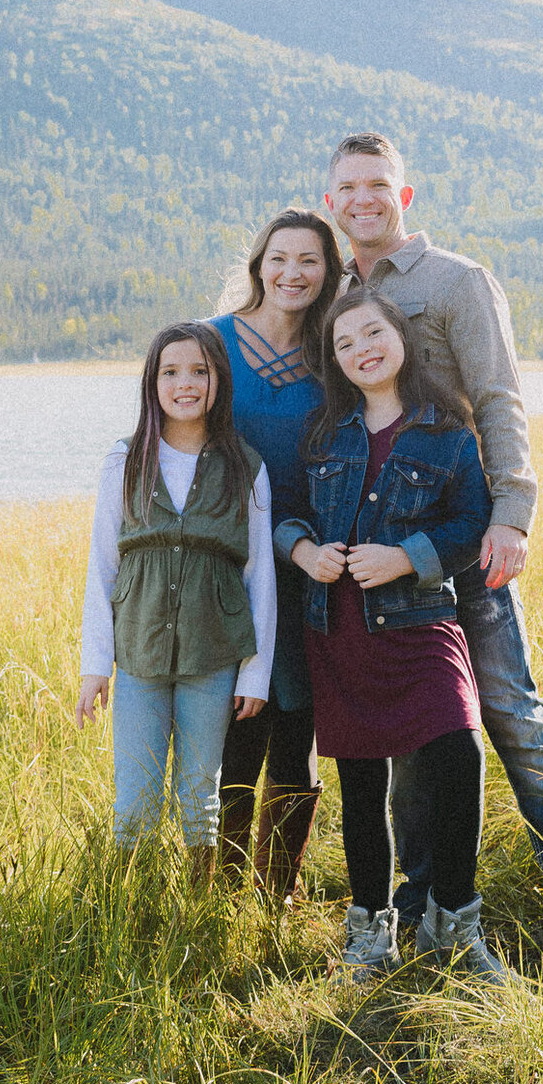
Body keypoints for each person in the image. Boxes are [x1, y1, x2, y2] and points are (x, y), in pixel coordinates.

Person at [323, 132, 543, 966]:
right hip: (380, 568)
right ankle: (426, 912)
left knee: (511, 715)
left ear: (404, 195)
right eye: (347, 187)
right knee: (417, 735)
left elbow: (500, 399)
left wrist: (515, 514)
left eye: (377, 185)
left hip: (467, 537)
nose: (363, 199)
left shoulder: (458, 281)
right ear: (330, 202)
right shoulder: (333, 297)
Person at [275, 291, 510, 983]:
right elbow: (288, 512)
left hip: (421, 624)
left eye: (372, 332)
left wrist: (407, 555)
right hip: (340, 630)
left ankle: (454, 924)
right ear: (335, 360)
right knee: (360, 782)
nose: (362, 349)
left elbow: (472, 523)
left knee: (459, 752)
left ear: (400, 335)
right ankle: (371, 930)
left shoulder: (448, 431)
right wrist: (304, 553)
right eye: (345, 343)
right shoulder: (323, 432)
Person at [76, 321, 277, 873]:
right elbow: (102, 567)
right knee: (134, 803)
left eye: (199, 371)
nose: (184, 383)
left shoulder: (246, 467)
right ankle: (125, 909)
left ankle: (198, 908)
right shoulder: (125, 460)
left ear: (219, 382)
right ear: (152, 381)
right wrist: (96, 665)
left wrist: (254, 674)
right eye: (170, 371)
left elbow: (260, 576)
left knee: (200, 799)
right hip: (138, 655)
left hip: (213, 658)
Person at [210, 209, 344, 898]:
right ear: (260, 261)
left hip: (306, 565)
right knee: (235, 726)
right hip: (224, 567)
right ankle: (220, 892)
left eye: (310, 261)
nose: (293, 273)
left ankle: (275, 895)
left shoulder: (334, 355)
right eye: (281, 258)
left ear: (328, 274)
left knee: (297, 726)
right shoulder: (213, 342)